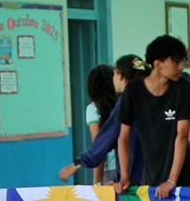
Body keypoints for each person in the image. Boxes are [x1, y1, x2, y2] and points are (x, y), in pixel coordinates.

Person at [116, 35, 190, 198]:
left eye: (183, 61)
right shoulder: (133, 90)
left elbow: (181, 136)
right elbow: (123, 138)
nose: (182, 66)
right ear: (158, 64)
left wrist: (171, 181)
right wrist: (125, 177)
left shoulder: (184, 89)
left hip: (182, 180)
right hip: (150, 178)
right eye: (176, 61)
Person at [60, 54, 144, 184]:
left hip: (134, 177)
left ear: (119, 74)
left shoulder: (125, 102)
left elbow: (102, 142)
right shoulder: (149, 98)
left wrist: (79, 163)